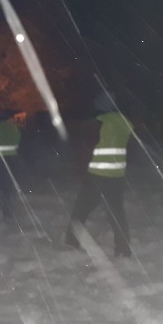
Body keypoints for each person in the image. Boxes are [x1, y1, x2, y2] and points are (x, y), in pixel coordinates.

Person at [64, 92, 134, 257]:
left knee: (81, 210)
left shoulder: (97, 124)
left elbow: (86, 150)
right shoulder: (125, 123)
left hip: (96, 175)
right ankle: (123, 248)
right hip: (117, 175)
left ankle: (71, 240)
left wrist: (81, 170)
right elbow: (129, 148)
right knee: (117, 213)